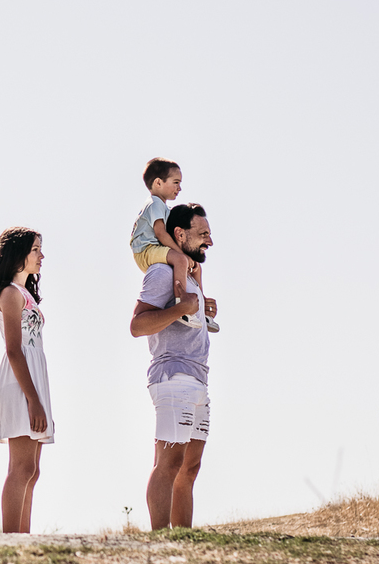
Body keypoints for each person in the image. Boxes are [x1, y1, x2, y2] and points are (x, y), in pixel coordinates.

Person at [129, 203, 219, 530]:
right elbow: (138, 325)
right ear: (179, 234)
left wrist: (203, 310)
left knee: (189, 468)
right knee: (169, 463)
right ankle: (159, 543)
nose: (209, 241)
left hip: (198, 379)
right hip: (172, 376)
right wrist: (181, 307)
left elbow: (187, 315)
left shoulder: (189, 275)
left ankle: (183, 541)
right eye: (203, 234)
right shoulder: (163, 272)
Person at [0, 227, 54, 534]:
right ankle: (11, 539)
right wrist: (33, 399)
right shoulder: (10, 294)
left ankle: (24, 537)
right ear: (18, 254)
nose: (41, 255)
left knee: (32, 470)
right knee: (21, 467)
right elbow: (13, 349)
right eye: (36, 249)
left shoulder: (25, 294)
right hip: (20, 384)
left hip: (33, 381)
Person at [129, 158, 219, 331]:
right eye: (176, 182)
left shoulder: (163, 207)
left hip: (153, 249)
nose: (180, 188)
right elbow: (161, 233)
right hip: (145, 250)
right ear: (158, 182)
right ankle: (183, 304)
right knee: (181, 260)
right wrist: (181, 254)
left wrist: (201, 303)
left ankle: (200, 310)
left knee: (196, 266)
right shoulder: (154, 203)